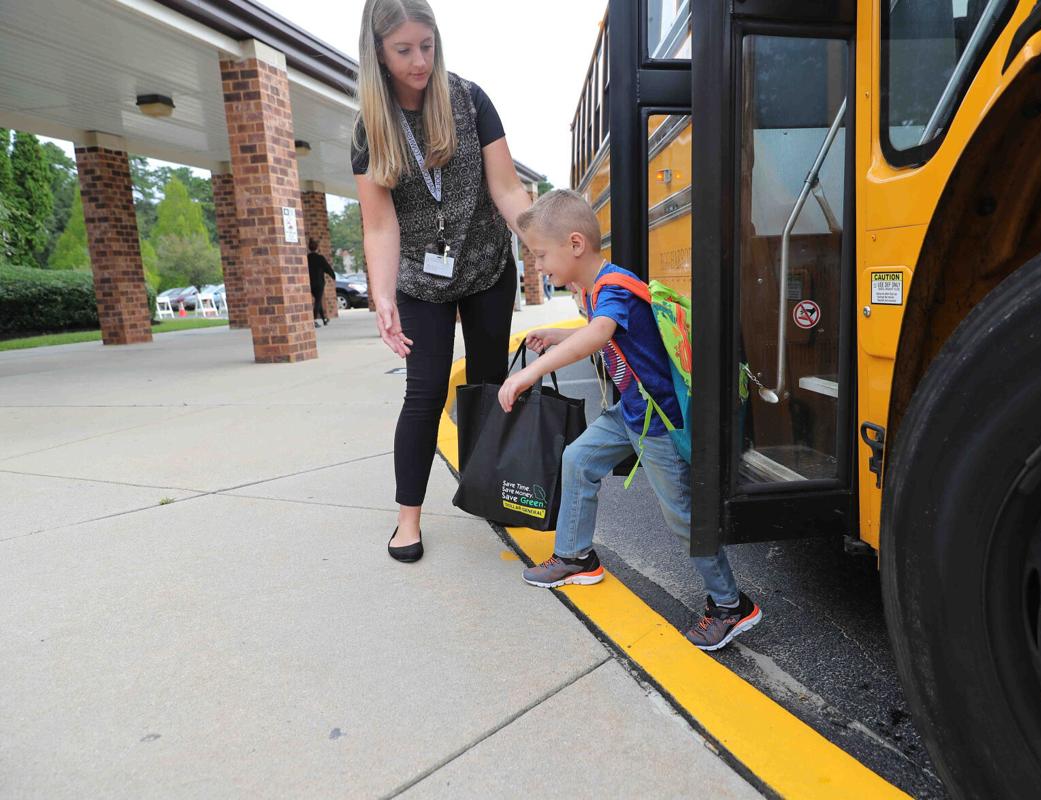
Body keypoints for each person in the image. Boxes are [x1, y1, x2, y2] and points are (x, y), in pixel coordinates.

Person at [498, 190, 762, 651]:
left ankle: (730, 605)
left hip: (657, 422)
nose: (538, 266)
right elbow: (605, 333)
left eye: (541, 254)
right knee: (578, 459)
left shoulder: (613, 285)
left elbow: (601, 333)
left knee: (682, 516)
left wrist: (531, 372)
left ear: (575, 244)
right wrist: (556, 335)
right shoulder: (596, 289)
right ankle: (576, 557)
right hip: (631, 413)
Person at [352, 0, 534, 564]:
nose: (419, 61)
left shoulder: (470, 101)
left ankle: (492, 493)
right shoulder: (370, 130)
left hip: (484, 266)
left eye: (427, 46)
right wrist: (382, 296)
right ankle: (408, 518)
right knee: (425, 392)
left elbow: (506, 190)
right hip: (418, 279)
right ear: (378, 53)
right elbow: (379, 225)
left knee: (487, 383)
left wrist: (543, 247)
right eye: (403, 50)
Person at [307, 239, 337, 327]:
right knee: (318, 300)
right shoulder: (320, 258)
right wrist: (333, 276)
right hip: (319, 283)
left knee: (318, 300)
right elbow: (327, 268)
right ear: (317, 248)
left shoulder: (307, 258)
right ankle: (314, 320)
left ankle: (324, 319)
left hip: (310, 283)